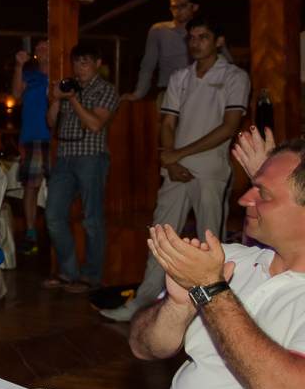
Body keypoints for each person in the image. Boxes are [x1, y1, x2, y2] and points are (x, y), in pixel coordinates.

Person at [128, 133, 305, 389]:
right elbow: (143, 346)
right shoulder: (227, 258)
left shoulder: (214, 275)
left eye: (262, 192)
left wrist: (210, 288)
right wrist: (178, 305)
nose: (244, 199)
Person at [102, 17, 248, 322]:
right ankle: (144, 303)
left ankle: (212, 313)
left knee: (210, 244)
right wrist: (172, 162)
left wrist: (176, 155)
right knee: (161, 236)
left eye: (203, 37)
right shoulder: (181, 76)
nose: (195, 43)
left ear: (219, 41)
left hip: (209, 170)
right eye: (191, 37)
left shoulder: (234, 76)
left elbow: (229, 127)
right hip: (175, 169)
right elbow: (167, 123)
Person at [42, 43, 119, 293]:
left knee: (92, 219)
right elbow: (51, 122)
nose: (79, 68)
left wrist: (72, 99)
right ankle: (68, 272)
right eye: (76, 63)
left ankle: (91, 276)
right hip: (64, 159)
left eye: (84, 62)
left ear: (97, 63)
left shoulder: (106, 90)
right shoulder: (69, 88)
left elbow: (96, 124)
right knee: (53, 216)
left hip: (91, 158)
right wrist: (57, 99)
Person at [120, 0, 233, 104]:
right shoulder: (159, 30)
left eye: (182, 6)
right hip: (169, 91)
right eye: (174, 7)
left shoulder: (208, 31)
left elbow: (227, 62)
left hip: (201, 91)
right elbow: (148, 63)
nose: (177, 10)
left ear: (194, 7)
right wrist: (138, 93)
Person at [11, 40, 51, 256]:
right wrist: (19, 66)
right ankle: (31, 235)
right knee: (31, 187)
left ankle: (56, 233)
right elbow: (16, 93)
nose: (41, 48)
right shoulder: (29, 75)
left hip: (57, 138)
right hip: (31, 136)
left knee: (58, 187)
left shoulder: (62, 74)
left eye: (46, 45)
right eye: (38, 47)